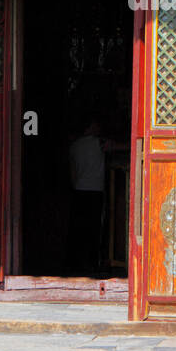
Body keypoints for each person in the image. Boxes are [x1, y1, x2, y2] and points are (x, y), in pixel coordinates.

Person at [67, 118, 108, 276]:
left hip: (78, 190)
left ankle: (75, 263)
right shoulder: (99, 143)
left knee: (78, 229)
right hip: (95, 190)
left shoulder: (74, 146)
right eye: (96, 124)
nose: (98, 127)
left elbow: (72, 172)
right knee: (94, 228)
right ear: (90, 126)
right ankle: (92, 263)